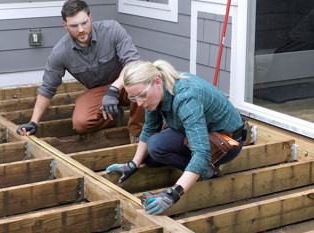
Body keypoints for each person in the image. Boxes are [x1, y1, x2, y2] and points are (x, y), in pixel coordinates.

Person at [106, 60, 244, 215]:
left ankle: (207, 171)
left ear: (157, 82)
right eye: (133, 99)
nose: (139, 103)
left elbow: (202, 153)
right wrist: (132, 165)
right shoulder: (155, 91)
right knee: (150, 156)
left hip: (226, 142)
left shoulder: (185, 99)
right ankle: (197, 171)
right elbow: (150, 127)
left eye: (141, 96)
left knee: (156, 146)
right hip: (202, 131)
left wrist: (173, 194)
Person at [16, 0, 144, 142]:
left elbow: (133, 63)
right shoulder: (60, 52)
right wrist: (34, 122)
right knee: (81, 123)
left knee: (144, 79)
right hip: (99, 92)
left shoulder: (112, 29)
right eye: (74, 26)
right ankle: (115, 116)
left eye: (84, 23)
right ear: (65, 25)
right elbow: (47, 89)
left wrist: (114, 89)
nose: (81, 29)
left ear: (90, 17)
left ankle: (138, 132)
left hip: (126, 83)